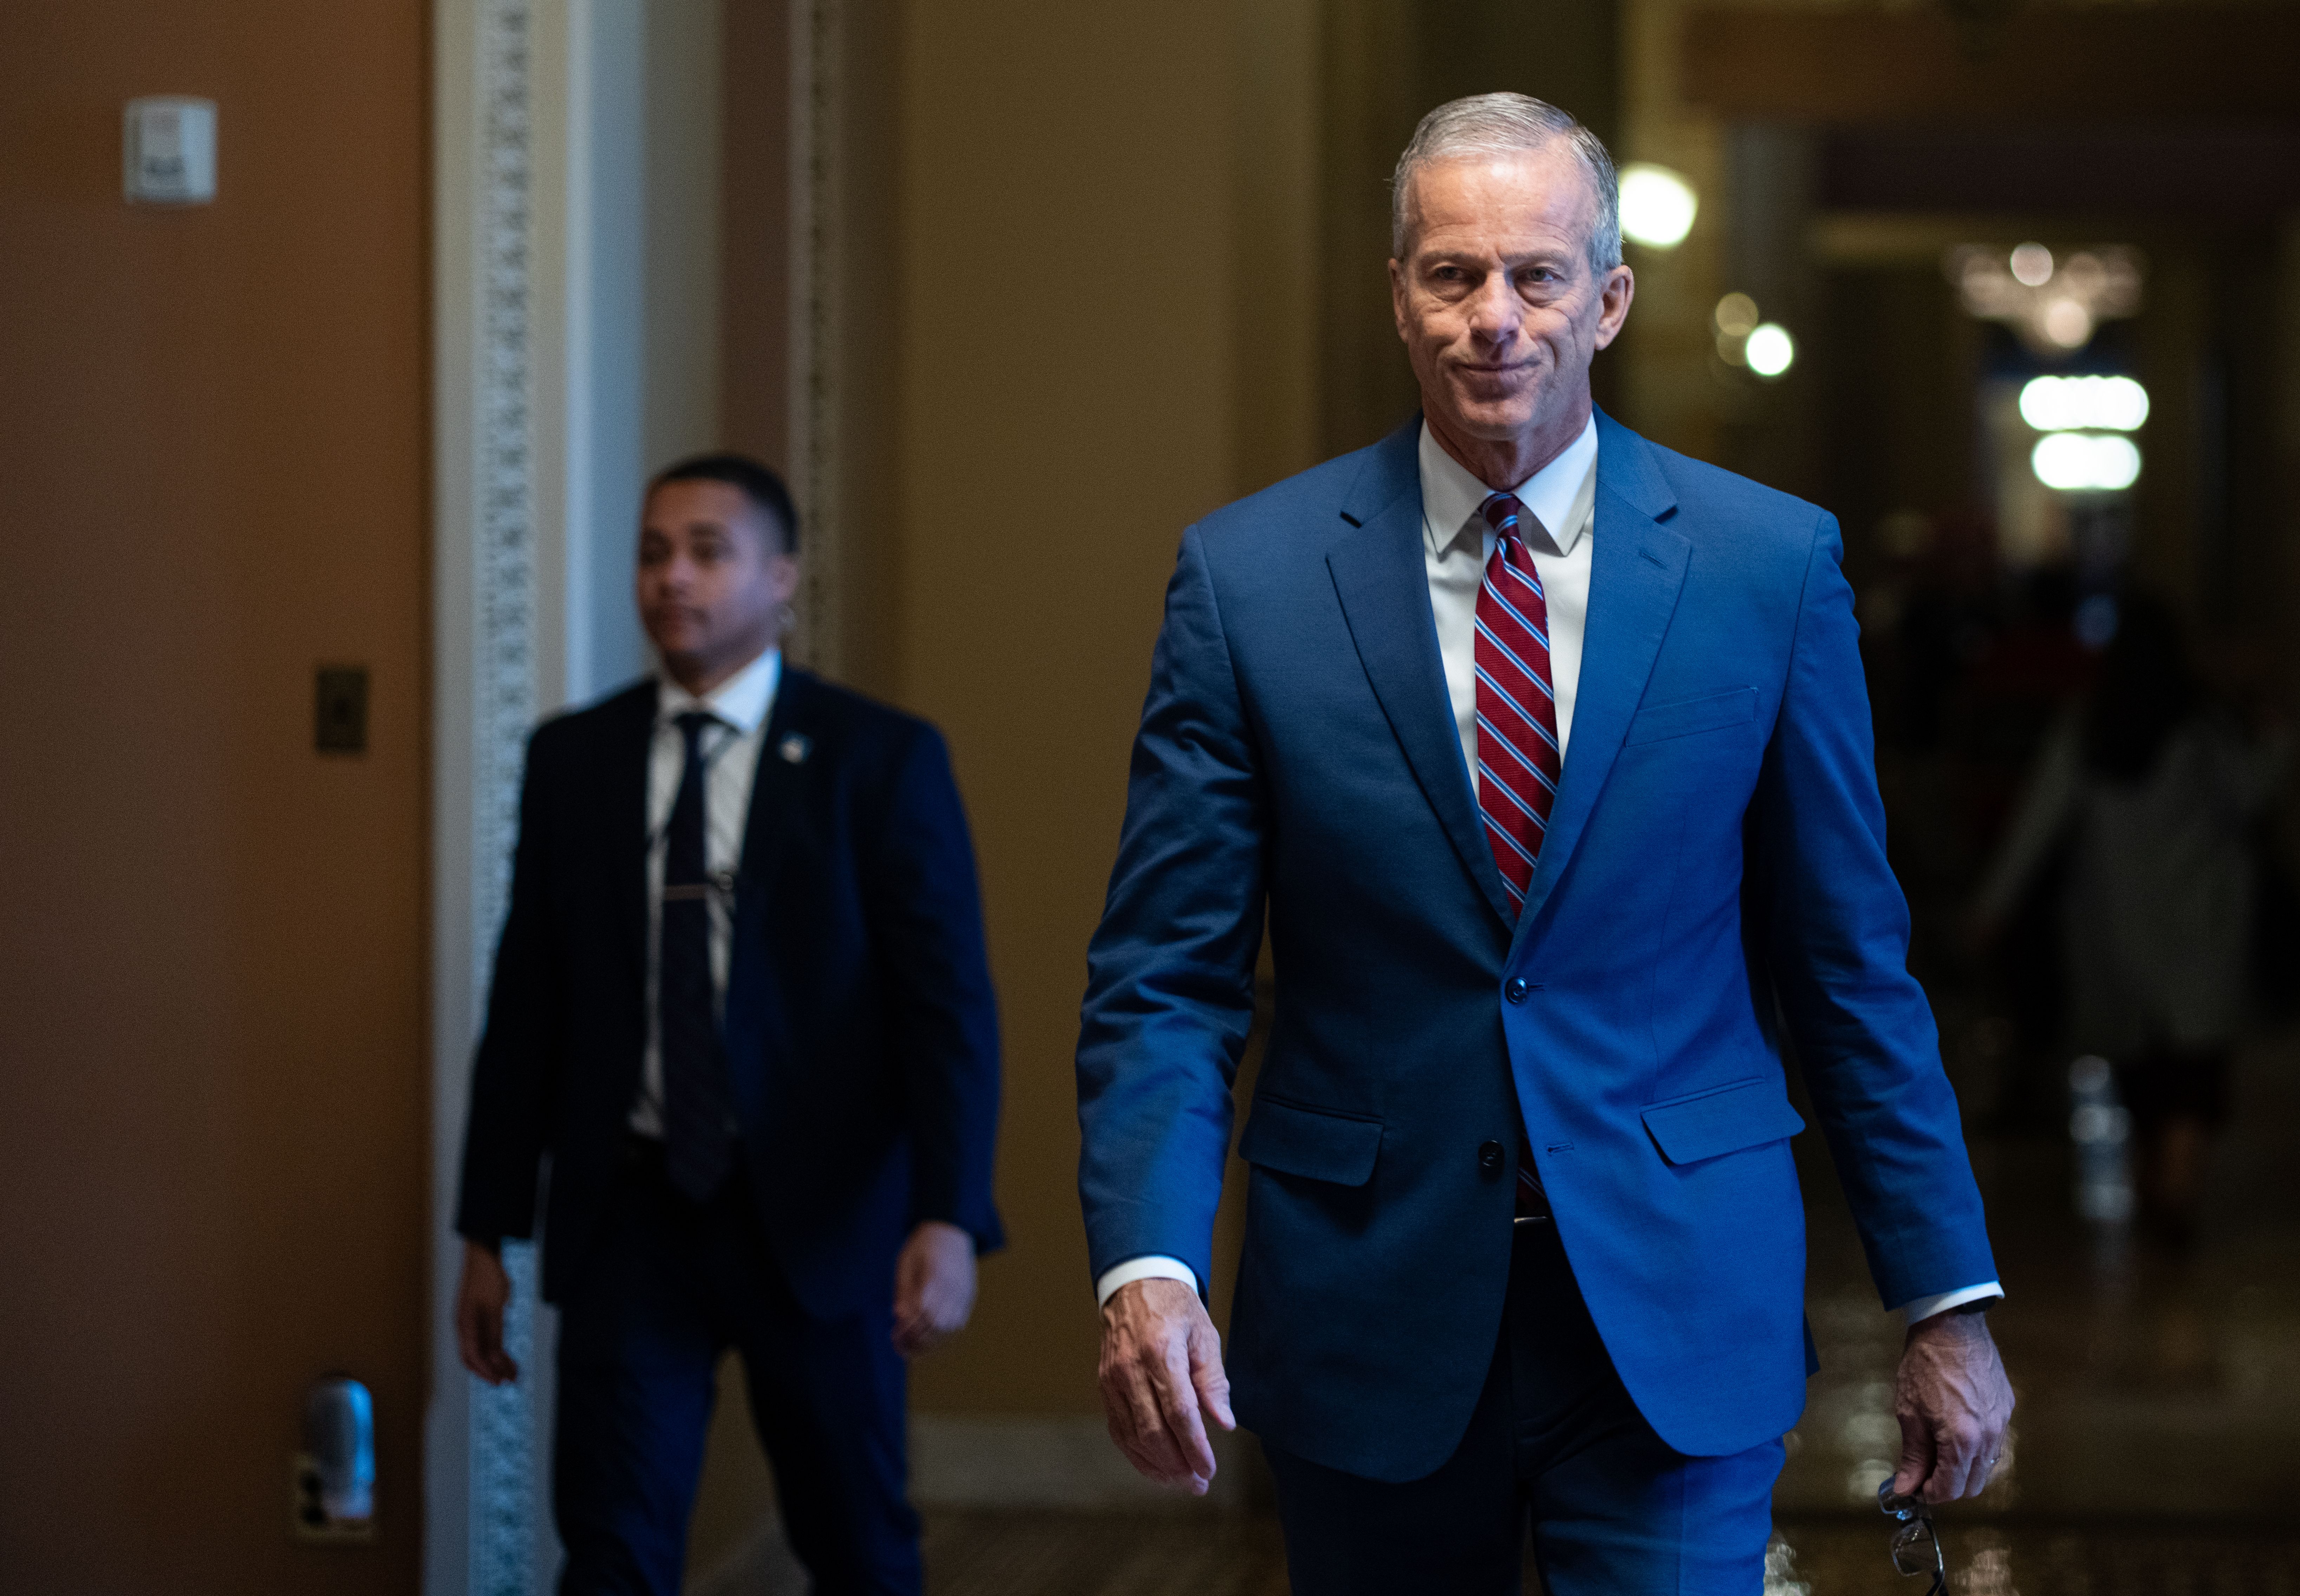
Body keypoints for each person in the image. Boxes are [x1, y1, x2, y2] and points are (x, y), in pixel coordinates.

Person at [1075, 94, 2012, 1593]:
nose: (1491, 318)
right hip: (1364, 1302)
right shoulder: (1246, 581)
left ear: (1607, 300)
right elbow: (1163, 978)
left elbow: (1844, 962)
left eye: (1535, 274)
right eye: (1449, 275)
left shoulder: (1765, 567)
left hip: (1670, 1301)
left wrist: (1942, 1297)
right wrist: (1149, 1262)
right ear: (1397, 297)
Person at [452, 454, 1004, 1595]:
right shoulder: (575, 759)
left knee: (856, 1541)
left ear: (781, 577)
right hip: (632, 1209)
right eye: (655, 553)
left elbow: (945, 1006)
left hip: (821, 1212)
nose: (673, 579)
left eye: (707, 551)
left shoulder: (876, 759)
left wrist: (947, 1216)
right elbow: (529, 1004)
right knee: (611, 1543)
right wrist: (487, 1229)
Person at [1974, 591, 2289, 1244]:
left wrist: (1993, 907)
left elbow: (2038, 825)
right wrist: (2276, 731)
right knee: (2192, 1078)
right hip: (2198, 936)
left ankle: (2160, 1189)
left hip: (2112, 939)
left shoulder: (2088, 729)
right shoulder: (2202, 731)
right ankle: (2175, 1192)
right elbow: (2251, 795)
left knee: (2141, 1076)